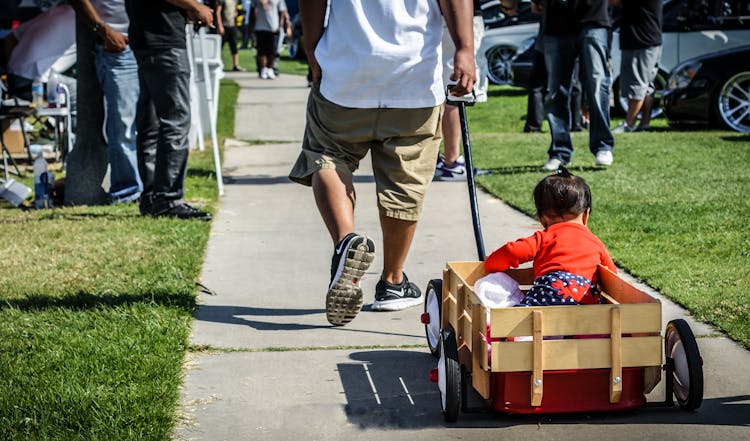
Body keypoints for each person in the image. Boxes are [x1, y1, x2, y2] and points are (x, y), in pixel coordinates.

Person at [288, 0, 476, 326]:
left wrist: (312, 47)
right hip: (412, 78)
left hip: (346, 74)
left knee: (328, 156)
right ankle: (392, 282)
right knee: (405, 182)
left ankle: (346, 241)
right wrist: (465, 48)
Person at [124, 0, 213, 220]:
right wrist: (195, 6)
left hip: (148, 37)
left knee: (152, 122)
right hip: (163, 40)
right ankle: (168, 199)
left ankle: (154, 196)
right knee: (175, 120)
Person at [484, 168, 616, 306]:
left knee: (517, 313)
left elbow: (512, 251)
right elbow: (611, 276)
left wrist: (490, 264)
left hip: (550, 296)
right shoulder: (595, 242)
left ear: (541, 219)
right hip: (585, 302)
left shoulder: (544, 238)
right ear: (586, 214)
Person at [69, 0, 143, 204]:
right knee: (123, 124)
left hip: (149, 42)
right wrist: (104, 30)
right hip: (119, 44)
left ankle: (150, 187)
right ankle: (128, 192)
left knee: (148, 123)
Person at [531, 0, 615, 170]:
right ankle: (560, 152)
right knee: (555, 90)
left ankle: (603, 146)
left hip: (593, 15)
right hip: (556, 19)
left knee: (597, 82)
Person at [434, 0, 487, 181]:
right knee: (455, 91)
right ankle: (452, 161)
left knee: (441, 89)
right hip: (458, 18)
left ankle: (443, 160)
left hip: (435, 17)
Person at [611, 0, 662, 133]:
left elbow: (613, 2)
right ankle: (644, 123)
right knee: (647, 86)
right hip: (650, 39)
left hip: (640, 40)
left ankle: (629, 124)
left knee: (637, 85)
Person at [251, 0, 287, 80]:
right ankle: (264, 69)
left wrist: (280, 26)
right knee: (261, 50)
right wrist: (251, 27)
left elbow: (282, 12)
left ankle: (270, 69)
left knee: (273, 51)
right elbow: (252, 10)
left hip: (273, 27)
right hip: (260, 27)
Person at [216, 0, 244, 71]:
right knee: (219, 47)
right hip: (224, 25)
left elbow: (236, 9)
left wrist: (236, 13)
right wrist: (220, 26)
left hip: (232, 25)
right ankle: (217, 64)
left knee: (234, 46)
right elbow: (218, 12)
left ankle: (236, 65)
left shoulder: (235, 1)